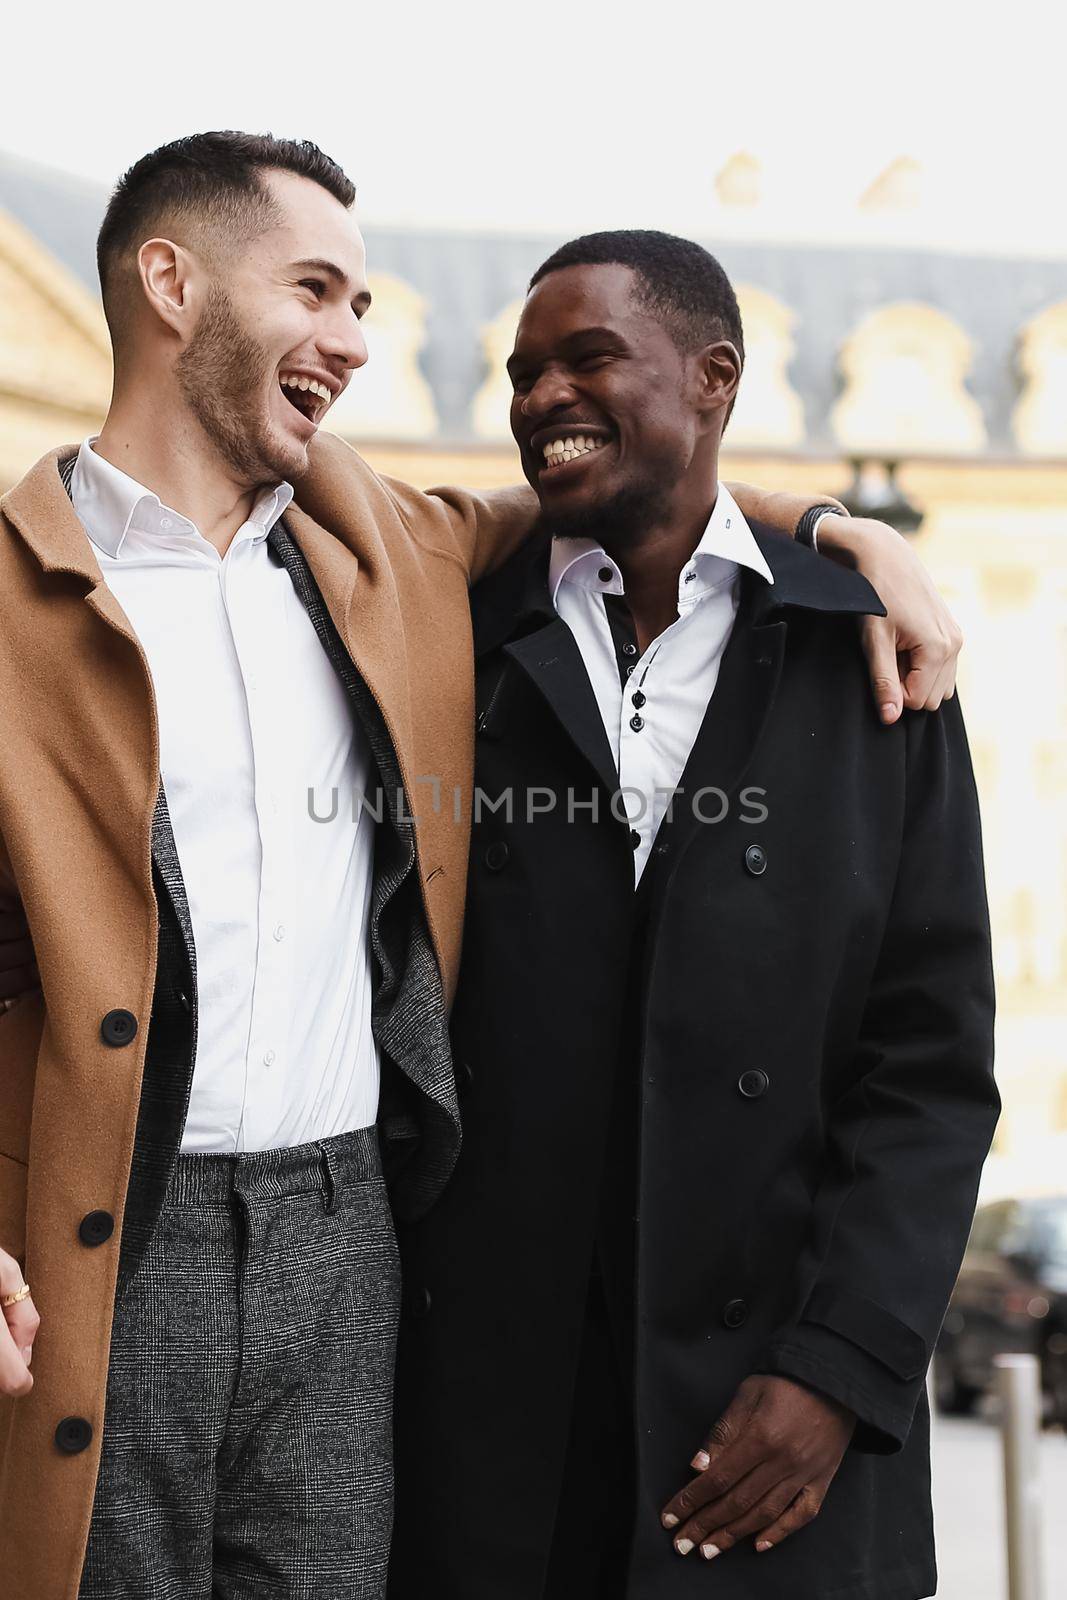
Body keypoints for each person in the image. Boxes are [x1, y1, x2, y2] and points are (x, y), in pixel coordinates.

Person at [0, 134, 962, 1599]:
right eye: (317, 290)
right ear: (171, 283)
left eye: (365, 307)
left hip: (351, 1251)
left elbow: (639, 491)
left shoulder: (384, 554)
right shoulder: (28, 581)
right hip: (119, 1236)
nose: (353, 343)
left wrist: (844, 530)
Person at [387, 232, 998, 1600]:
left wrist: (839, 1368)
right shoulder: (450, 628)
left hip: (775, 1420)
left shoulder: (866, 653)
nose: (542, 396)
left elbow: (931, 1060)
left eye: (589, 359)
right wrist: (826, 512)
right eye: (523, 372)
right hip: (499, 1420)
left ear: (712, 378)